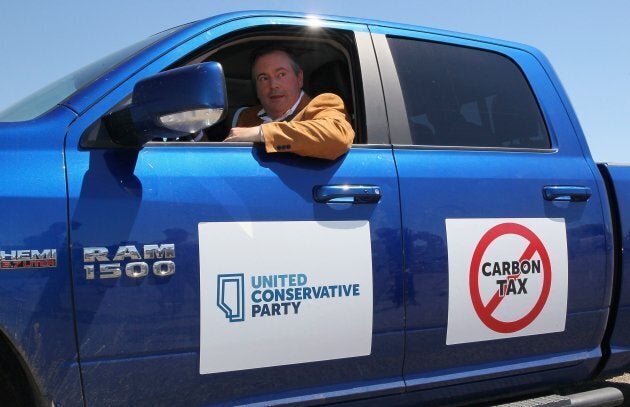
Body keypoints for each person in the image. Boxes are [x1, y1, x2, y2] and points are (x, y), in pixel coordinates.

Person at [223, 46, 354, 160]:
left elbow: (337, 137)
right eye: (263, 78)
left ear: (299, 79)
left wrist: (262, 133)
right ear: (256, 89)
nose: (273, 85)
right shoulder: (246, 117)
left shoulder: (324, 104)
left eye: (281, 74)